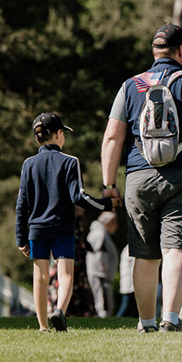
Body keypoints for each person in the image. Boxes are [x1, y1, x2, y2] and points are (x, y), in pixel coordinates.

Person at [101, 23, 182, 333]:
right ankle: (170, 318)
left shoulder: (130, 86)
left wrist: (109, 184)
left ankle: (145, 323)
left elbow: (112, 138)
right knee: (176, 249)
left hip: (139, 177)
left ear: (155, 52)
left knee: (144, 254)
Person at [16, 112, 118, 331]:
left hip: (36, 228)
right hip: (62, 226)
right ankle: (60, 311)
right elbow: (78, 197)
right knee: (66, 274)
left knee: (40, 277)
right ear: (58, 134)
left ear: (37, 138)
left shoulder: (28, 164)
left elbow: (21, 203)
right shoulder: (70, 162)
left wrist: (20, 237)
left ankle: (43, 326)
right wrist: (108, 204)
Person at [85, 212, 119, 317]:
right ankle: (103, 321)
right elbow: (100, 254)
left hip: (99, 272)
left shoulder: (97, 232)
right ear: (109, 222)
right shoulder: (101, 233)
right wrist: (106, 272)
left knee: (101, 300)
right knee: (103, 303)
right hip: (100, 273)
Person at [115, 244, 136, 317]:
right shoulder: (131, 248)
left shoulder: (127, 248)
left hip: (128, 282)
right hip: (129, 282)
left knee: (129, 306)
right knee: (125, 306)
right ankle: (117, 319)